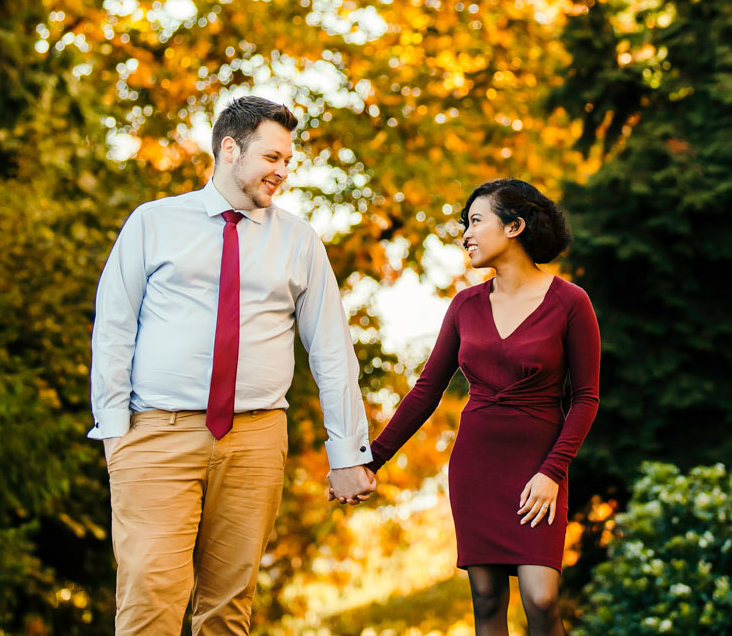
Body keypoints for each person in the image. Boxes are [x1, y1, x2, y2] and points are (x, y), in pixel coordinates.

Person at [88, 95, 377, 636]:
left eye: (288, 161)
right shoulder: (153, 223)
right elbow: (114, 327)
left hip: (255, 439)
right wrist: (115, 431)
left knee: (228, 610)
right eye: (272, 158)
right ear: (229, 148)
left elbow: (332, 350)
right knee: (150, 596)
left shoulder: (298, 240)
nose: (282, 172)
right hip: (156, 435)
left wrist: (346, 452)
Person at [368, 179, 601, 636]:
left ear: (515, 226)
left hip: (539, 469)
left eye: (476, 221)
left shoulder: (572, 303)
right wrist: (371, 459)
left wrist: (553, 472)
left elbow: (586, 397)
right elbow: (426, 391)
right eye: (465, 224)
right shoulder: (464, 306)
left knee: (541, 597)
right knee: (487, 598)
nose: (466, 234)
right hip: (476, 466)